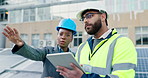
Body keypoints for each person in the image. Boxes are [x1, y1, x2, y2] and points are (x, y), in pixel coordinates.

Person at [56, 8, 137, 78]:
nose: (85, 21)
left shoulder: (122, 43)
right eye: (83, 18)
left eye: (89, 16)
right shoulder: (82, 47)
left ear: (103, 17)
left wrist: (83, 77)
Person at [2, 18, 77, 78]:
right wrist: (21, 45)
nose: (63, 37)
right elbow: (34, 53)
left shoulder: (75, 57)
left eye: (67, 35)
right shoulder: (48, 51)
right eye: (61, 34)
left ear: (71, 39)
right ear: (57, 36)